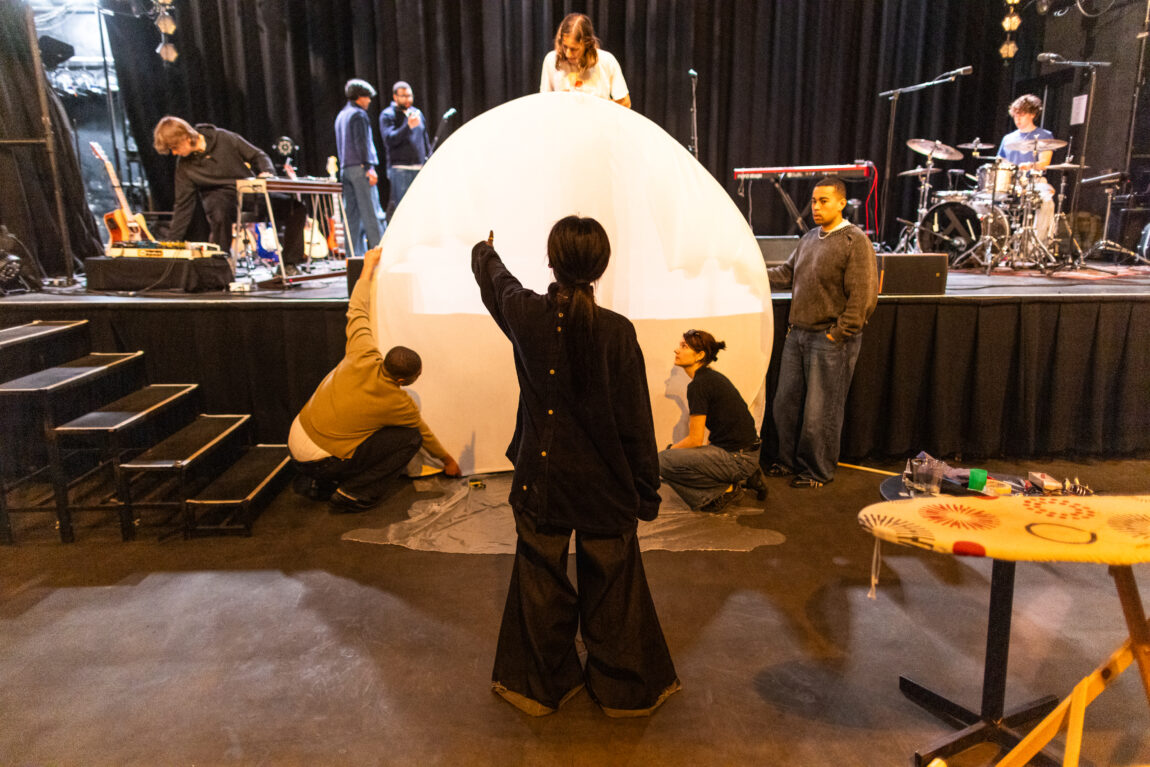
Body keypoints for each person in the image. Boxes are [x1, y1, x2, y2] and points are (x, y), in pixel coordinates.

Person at [472, 217, 678, 718]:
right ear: (601, 267)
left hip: (540, 484)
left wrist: (484, 249)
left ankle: (539, 687)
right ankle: (622, 692)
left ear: (550, 260)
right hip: (605, 488)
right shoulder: (617, 332)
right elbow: (635, 422)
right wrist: (646, 492)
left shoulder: (525, 316)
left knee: (539, 583)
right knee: (614, 591)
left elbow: (497, 283)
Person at [289, 245, 461, 513]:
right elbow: (424, 434)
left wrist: (368, 265)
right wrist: (449, 461)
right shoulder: (398, 402)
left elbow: (357, 308)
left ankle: (316, 481)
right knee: (409, 439)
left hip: (295, 440)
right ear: (404, 380)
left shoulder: (362, 351)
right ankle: (354, 493)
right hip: (319, 460)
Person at [764, 177, 878, 489]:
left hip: (829, 340)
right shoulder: (809, 238)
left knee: (820, 413)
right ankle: (785, 462)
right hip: (797, 335)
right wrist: (752, 269)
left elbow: (864, 297)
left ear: (842, 203)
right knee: (783, 405)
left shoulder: (855, 242)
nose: (816, 207)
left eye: (824, 201)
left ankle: (816, 472)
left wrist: (839, 334)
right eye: (814, 201)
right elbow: (787, 274)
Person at [153, 116, 306, 271]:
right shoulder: (184, 166)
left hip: (248, 193)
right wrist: (171, 245)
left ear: (186, 138)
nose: (174, 153)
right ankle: (220, 266)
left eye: (174, 147)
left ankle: (289, 264)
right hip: (220, 199)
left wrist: (267, 172)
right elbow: (183, 206)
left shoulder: (223, 138)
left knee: (297, 209)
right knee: (219, 211)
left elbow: (258, 155)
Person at [658, 329, 768, 512]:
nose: (676, 350)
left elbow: (695, 440)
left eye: (684, 346)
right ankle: (747, 476)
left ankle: (724, 491)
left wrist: (668, 452)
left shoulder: (699, 385)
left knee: (661, 462)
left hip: (739, 458)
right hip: (745, 452)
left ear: (699, 355)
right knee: (673, 458)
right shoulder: (710, 378)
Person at [335, 78, 387, 258]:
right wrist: (369, 167)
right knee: (371, 212)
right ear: (359, 97)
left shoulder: (342, 115)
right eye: (367, 97)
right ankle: (379, 254)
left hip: (345, 169)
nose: (369, 101)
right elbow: (361, 142)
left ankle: (353, 256)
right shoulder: (358, 115)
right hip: (360, 167)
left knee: (351, 216)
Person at [997, 93, 1056, 242]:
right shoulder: (1008, 138)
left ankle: (1036, 246)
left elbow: (1045, 163)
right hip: (1010, 184)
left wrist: (1030, 165)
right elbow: (1000, 163)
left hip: (1034, 181)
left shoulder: (1044, 135)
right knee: (984, 200)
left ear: (1032, 114)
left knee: (1047, 202)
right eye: (1015, 116)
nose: (1017, 119)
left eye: (1021, 115)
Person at [539, 13, 631, 108]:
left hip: (598, 121)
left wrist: (596, 105)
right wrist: (560, 99)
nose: (568, 54)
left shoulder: (607, 61)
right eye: (565, 47)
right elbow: (544, 102)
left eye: (574, 49)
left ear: (587, 44)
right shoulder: (551, 60)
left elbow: (625, 103)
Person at [379, 81, 431, 218]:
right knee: (402, 209)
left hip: (419, 167)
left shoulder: (417, 113)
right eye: (403, 96)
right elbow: (390, 139)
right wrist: (407, 126)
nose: (407, 99)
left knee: (421, 207)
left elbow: (425, 139)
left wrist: (429, 160)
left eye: (409, 96)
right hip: (400, 169)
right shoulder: (387, 115)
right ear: (395, 97)